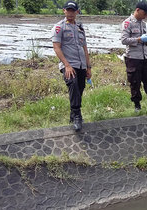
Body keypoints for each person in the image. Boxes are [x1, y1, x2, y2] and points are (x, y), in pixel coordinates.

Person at [52, 1, 92, 131]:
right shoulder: (59, 27)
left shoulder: (80, 28)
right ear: (64, 11)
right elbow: (56, 47)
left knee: (79, 89)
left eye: (72, 11)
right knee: (73, 84)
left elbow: (85, 48)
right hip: (68, 65)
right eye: (68, 10)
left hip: (81, 65)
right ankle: (77, 116)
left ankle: (72, 114)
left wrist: (88, 67)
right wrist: (67, 65)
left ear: (77, 12)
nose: (70, 13)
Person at [121, 1, 147, 112]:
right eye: (145, 13)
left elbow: (143, 39)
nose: (146, 16)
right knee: (135, 82)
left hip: (144, 56)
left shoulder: (143, 23)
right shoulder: (127, 23)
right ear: (138, 10)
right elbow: (124, 40)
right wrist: (139, 40)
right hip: (133, 57)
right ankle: (137, 106)